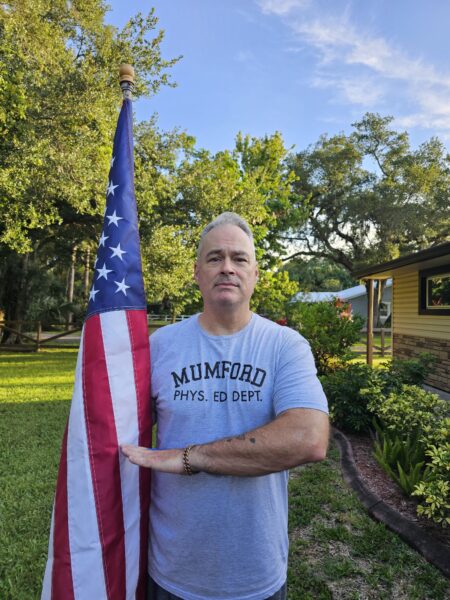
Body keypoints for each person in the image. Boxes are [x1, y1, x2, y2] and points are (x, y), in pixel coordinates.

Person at [122, 212, 329, 600]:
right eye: (214, 258)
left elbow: (309, 438)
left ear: (255, 275)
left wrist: (189, 457)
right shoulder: (158, 346)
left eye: (239, 259)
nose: (227, 268)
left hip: (255, 575)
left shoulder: (285, 345)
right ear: (197, 273)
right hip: (171, 570)